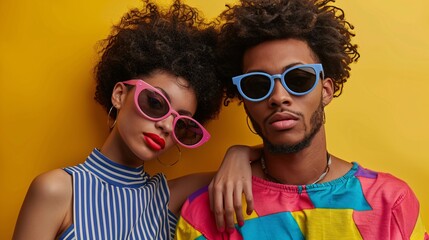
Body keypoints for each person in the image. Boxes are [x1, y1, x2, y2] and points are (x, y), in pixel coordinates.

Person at [176, 0, 429, 239]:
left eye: (298, 79)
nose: (278, 97)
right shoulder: (208, 212)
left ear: (326, 90)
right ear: (243, 99)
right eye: (257, 85)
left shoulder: (389, 202)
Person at [12, 1, 256, 239]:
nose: (167, 126)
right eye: (155, 103)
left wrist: (239, 152)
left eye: (183, 124)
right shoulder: (58, 190)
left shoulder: (170, 199)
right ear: (119, 95)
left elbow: (275, 160)